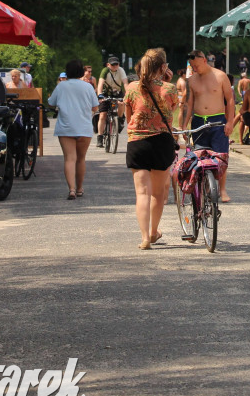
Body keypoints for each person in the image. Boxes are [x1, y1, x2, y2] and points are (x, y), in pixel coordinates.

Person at [123, 48, 180, 250]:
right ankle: (155, 231)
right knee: (157, 193)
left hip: (137, 143)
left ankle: (145, 237)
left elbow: (128, 117)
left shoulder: (131, 87)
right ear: (163, 67)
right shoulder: (170, 89)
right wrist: (165, 80)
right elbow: (170, 112)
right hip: (162, 142)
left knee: (142, 193)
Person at [182, 49, 236, 202]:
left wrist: (230, 121)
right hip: (199, 121)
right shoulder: (191, 80)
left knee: (220, 156)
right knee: (200, 157)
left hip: (217, 120)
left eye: (196, 66)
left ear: (204, 60)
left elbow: (230, 100)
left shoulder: (220, 76)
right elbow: (189, 104)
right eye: (192, 66)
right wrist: (185, 125)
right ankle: (205, 186)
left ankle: (222, 190)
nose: (194, 69)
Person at [47, 59, 99, 200]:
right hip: (84, 127)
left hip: (66, 126)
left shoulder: (61, 86)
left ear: (67, 72)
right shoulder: (88, 87)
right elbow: (95, 107)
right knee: (81, 159)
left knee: (69, 159)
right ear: (82, 72)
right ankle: (80, 188)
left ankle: (71, 189)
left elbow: (51, 102)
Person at [96, 57, 129, 147]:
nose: (115, 66)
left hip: (117, 92)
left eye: (116, 64)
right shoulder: (105, 71)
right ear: (108, 65)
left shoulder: (121, 70)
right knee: (103, 115)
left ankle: (120, 119)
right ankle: (100, 137)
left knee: (122, 103)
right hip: (105, 94)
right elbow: (100, 83)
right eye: (113, 64)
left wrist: (128, 94)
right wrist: (99, 95)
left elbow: (125, 83)